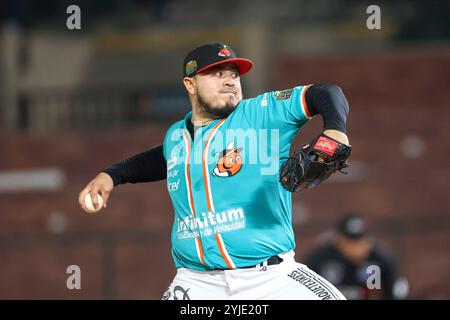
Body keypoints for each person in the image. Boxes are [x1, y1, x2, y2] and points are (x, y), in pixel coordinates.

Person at [78, 42, 352, 300]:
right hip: (196, 284)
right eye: (217, 73)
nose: (230, 80)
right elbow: (163, 159)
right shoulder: (177, 136)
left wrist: (335, 131)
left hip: (271, 280)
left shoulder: (260, 115)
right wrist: (112, 174)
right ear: (190, 84)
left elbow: (327, 93)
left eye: (234, 74)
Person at [303, 213, 409, 300]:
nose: (356, 247)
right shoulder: (321, 259)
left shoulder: (381, 261)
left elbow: (393, 291)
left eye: (360, 241)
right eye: (350, 242)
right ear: (338, 240)